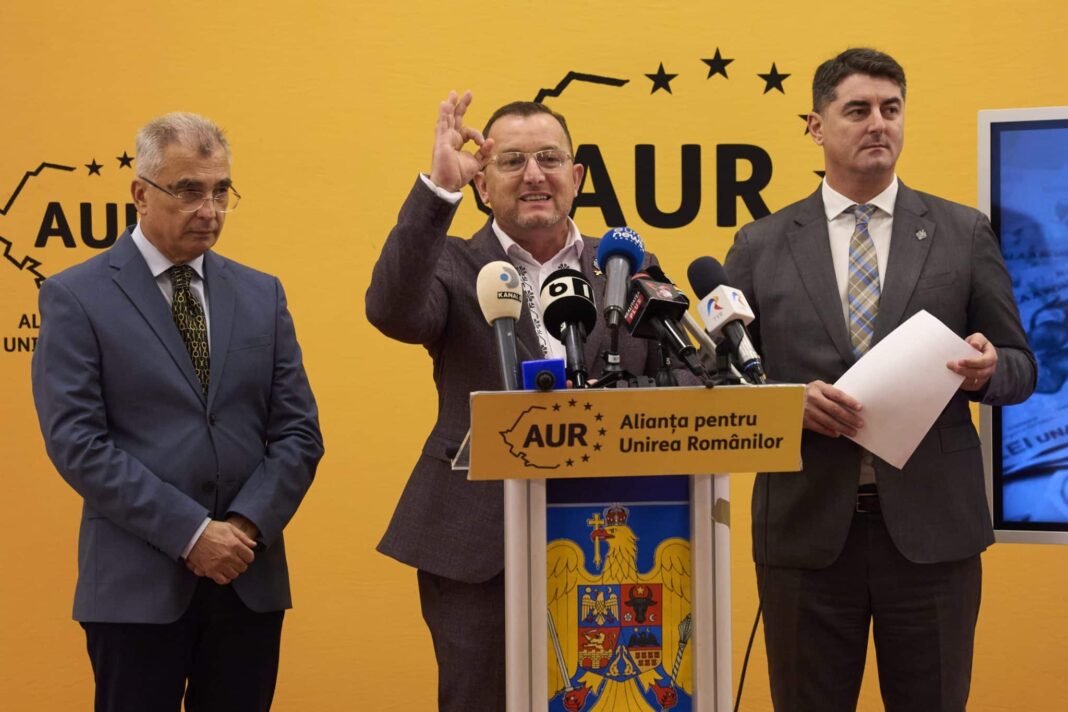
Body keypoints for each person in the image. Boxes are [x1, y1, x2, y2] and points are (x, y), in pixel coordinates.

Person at [724, 48, 1036, 712]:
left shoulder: (961, 232)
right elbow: (718, 382)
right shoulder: (761, 244)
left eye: (891, 109)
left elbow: (1021, 365)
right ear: (816, 126)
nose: (878, 124)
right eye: (858, 109)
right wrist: (785, 404)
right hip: (806, 533)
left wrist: (988, 370)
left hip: (934, 537)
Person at [366, 92, 675, 709]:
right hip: (478, 542)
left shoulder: (625, 265)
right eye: (511, 161)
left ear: (576, 177)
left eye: (549, 159)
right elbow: (392, 310)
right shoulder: (452, 263)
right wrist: (438, 192)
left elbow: (678, 376)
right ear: (482, 184)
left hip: (611, 534)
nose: (534, 175)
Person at [31, 112, 324, 712]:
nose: (209, 210)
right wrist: (191, 534)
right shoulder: (75, 296)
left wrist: (242, 529)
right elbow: (77, 443)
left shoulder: (262, 293)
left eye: (221, 191)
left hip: (246, 579)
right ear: (141, 193)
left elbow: (299, 433)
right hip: (136, 589)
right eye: (189, 190)